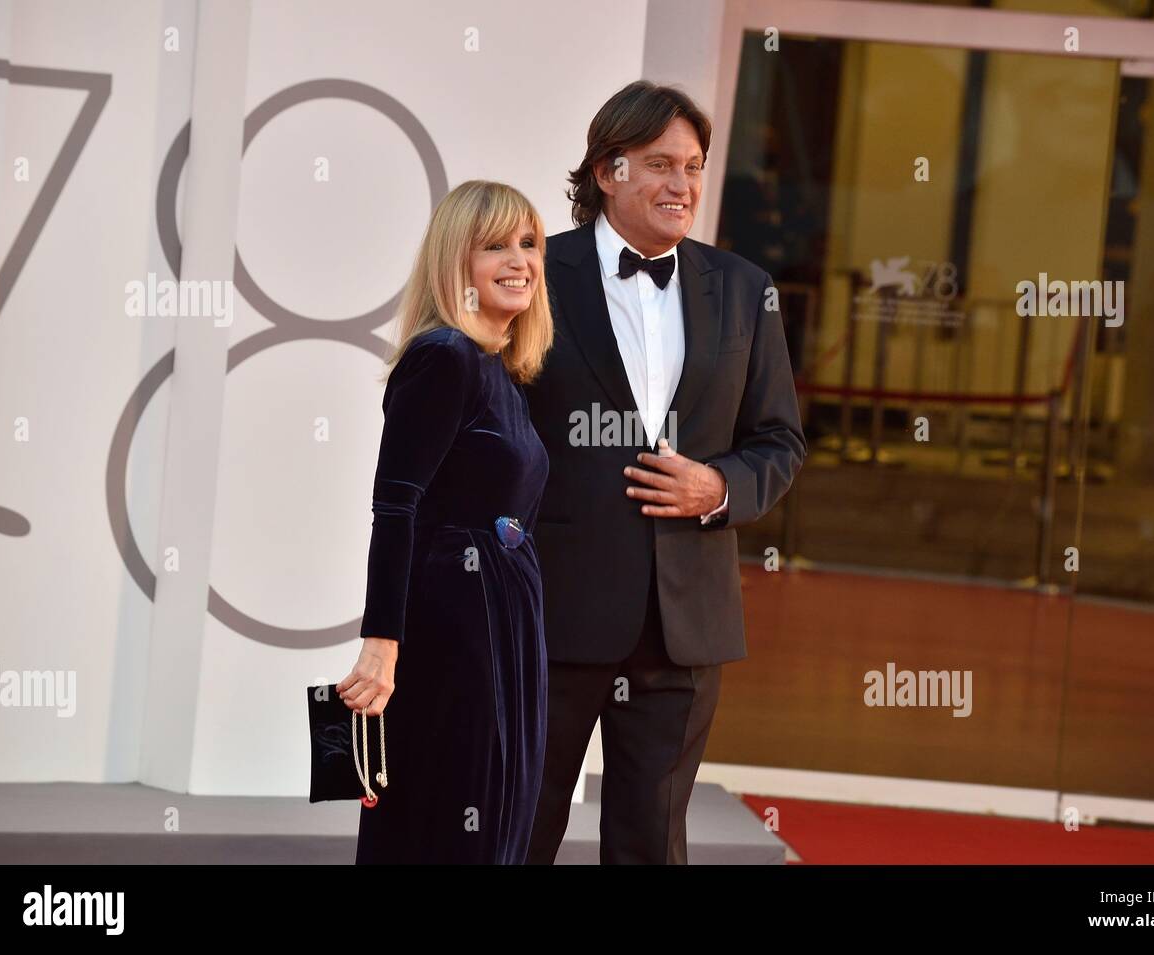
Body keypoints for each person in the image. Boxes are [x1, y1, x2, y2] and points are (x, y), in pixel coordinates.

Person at [524, 81, 806, 864]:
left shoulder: (747, 291)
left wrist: (719, 488)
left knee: (651, 844)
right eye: (659, 164)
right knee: (519, 829)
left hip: (685, 621)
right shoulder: (536, 273)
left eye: (693, 166)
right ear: (608, 171)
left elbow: (779, 441)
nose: (681, 185)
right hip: (555, 611)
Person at [338, 180, 555, 863]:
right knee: (453, 818)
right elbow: (395, 506)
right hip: (458, 630)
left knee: (491, 819)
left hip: (505, 624)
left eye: (529, 243)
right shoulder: (444, 358)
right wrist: (382, 640)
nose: (519, 259)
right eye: (495, 245)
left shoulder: (504, 374)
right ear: (454, 263)